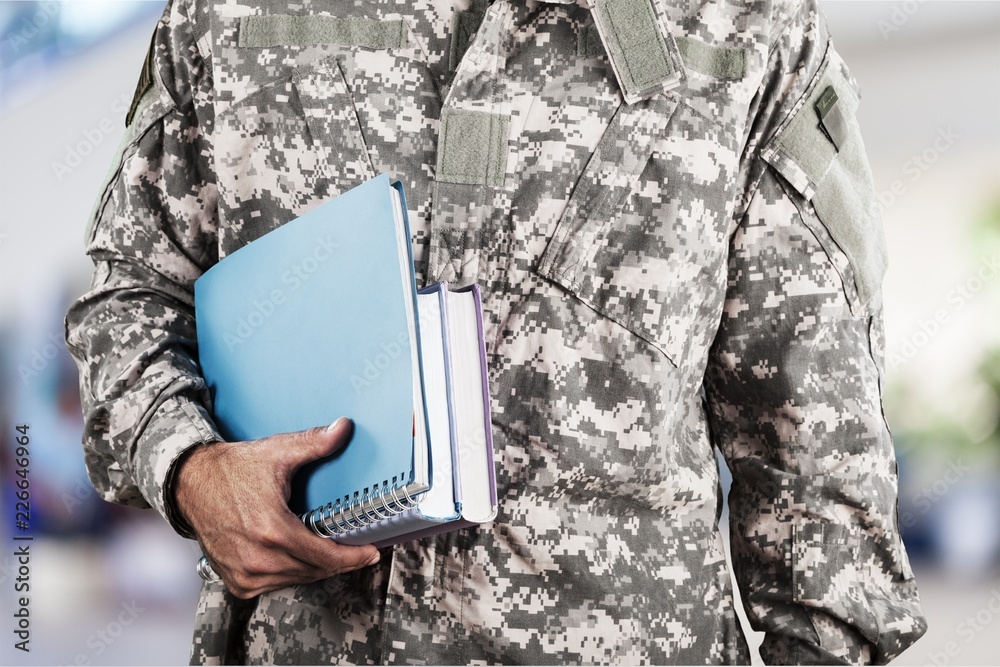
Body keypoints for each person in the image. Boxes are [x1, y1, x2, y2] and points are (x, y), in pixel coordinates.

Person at [65, 0, 928, 663]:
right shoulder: (227, 15)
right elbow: (130, 296)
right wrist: (190, 468)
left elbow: (820, 477)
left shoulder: (747, 33)